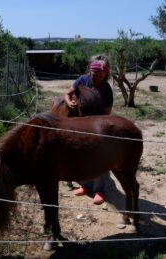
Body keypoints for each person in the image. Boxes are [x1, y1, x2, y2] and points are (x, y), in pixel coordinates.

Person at [64, 54, 113, 205]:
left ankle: (99, 190)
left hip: (96, 127)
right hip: (80, 125)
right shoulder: (82, 80)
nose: (95, 78)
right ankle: (85, 186)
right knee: (82, 155)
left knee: (98, 157)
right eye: (94, 75)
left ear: (105, 75)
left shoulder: (106, 89)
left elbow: (107, 113)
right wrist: (70, 103)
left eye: (99, 76)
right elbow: (67, 93)